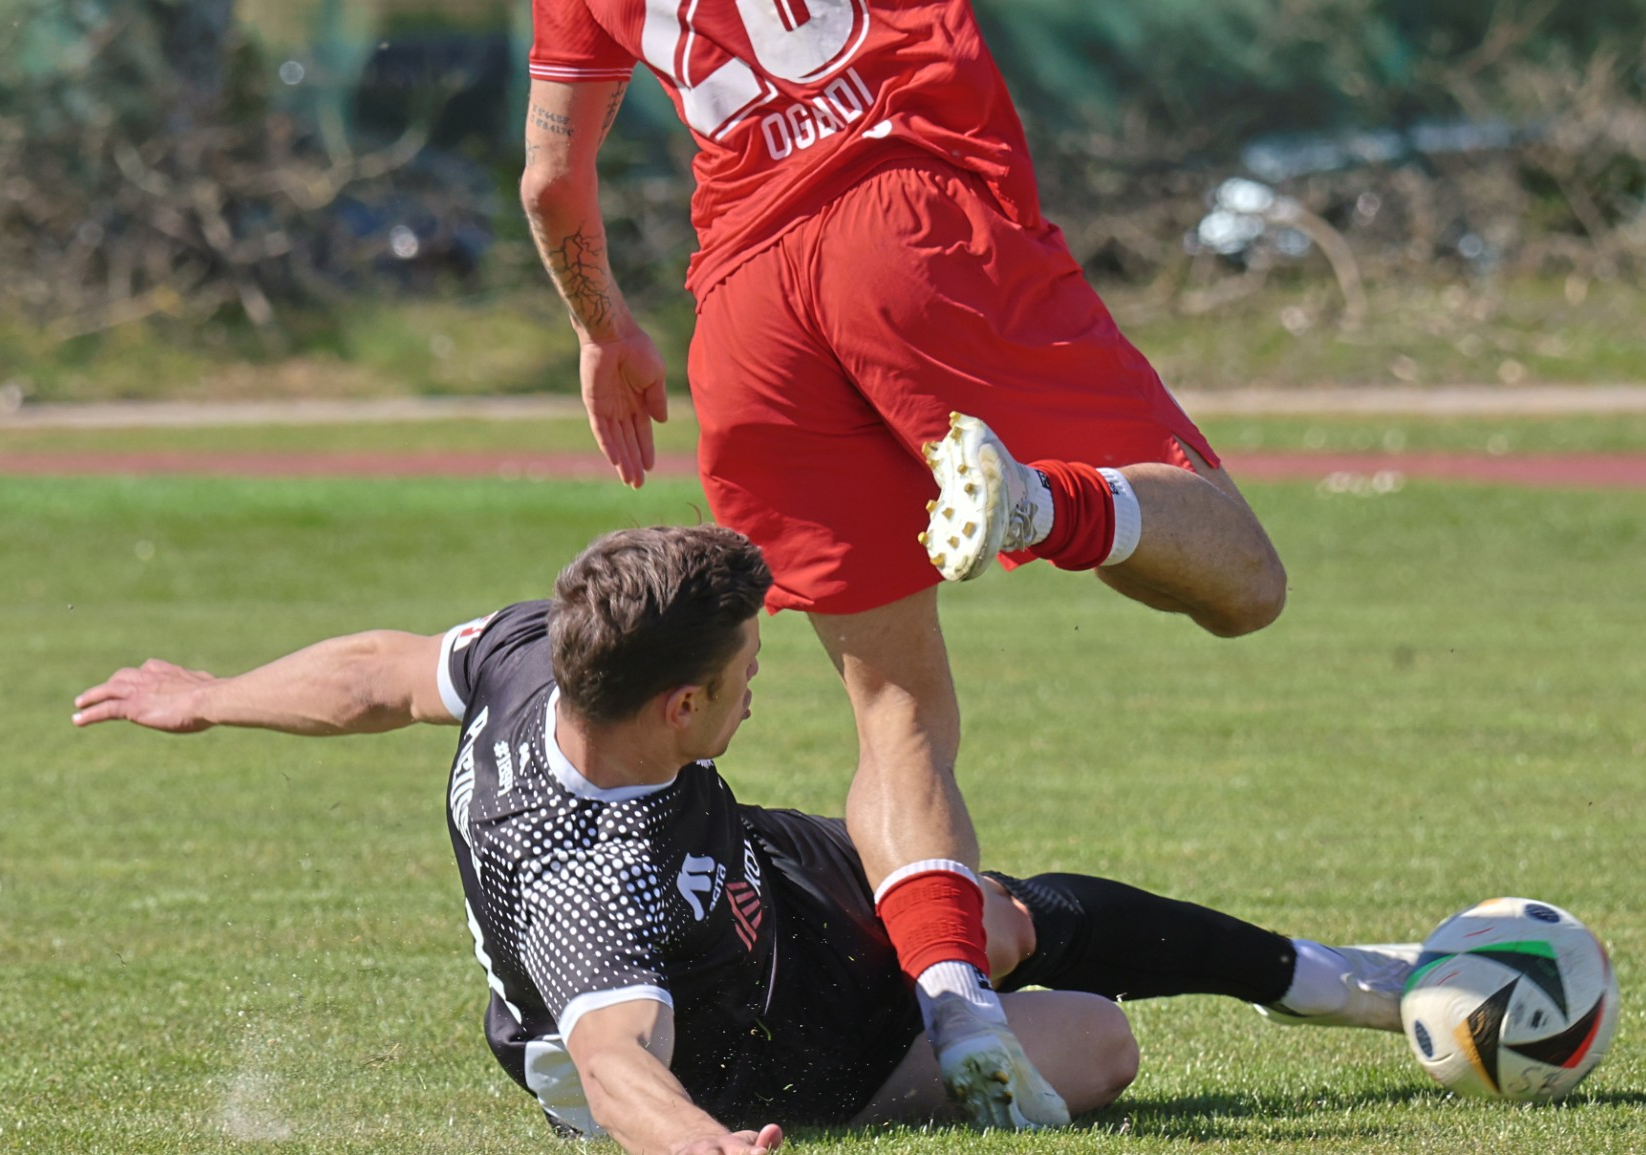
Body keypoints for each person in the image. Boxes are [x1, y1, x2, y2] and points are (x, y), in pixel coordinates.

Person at [519, 0, 1292, 1125]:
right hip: (910, 222)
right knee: (1242, 585)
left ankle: (963, 1008)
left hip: (745, 316)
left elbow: (550, 180)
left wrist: (603, 330)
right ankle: (1037, 499)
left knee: (894, 705)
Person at [73, 526, 1412, 1154]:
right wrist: (703, 1148)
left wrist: (210, 694)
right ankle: (899, 1073)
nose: (760, 679)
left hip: (752, 871)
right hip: (759, 1045)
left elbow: (380, 669)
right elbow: (611, 1057)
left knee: (984, 913)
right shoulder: (591, 882)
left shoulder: (545, 652)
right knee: (1094, 1036)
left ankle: (1342, 977)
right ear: (678, 703)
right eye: (747, 665)